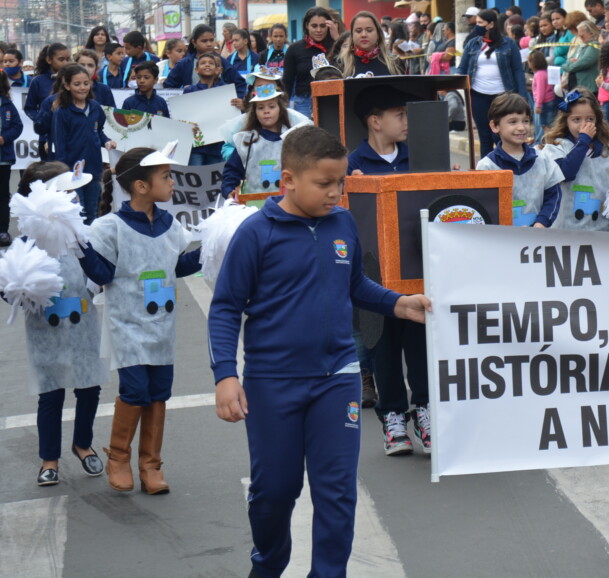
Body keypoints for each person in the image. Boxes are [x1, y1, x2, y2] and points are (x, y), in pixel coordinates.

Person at [208, 126, 429, 577]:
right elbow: (226, 307)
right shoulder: (256, 234)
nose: (335, 192)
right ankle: (268, 564)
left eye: (340, 182)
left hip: (338, 378)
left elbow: (354, 284)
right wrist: (226, 375)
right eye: (324, 183)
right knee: (275, 491)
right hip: (273, 382)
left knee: (337, 492)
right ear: (288, 180)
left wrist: (398, 303)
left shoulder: (342, 223)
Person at [82, 144, 201, 494]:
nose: (172, 182)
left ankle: (151, 464)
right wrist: (80, 249)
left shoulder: (169, 224)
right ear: (140, 186)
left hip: (162, 327)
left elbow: (178, 265)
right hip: (127, 326)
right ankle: (118, 458)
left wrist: (214, 246)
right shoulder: (110, 227)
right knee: (135, 390)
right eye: (166, 176)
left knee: (159, 392)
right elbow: (102, 274)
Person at [343, 87, 431, 456]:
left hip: (417, 270)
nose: (407, 121)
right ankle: (393, 417)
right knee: (382, 347)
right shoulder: (352, 164)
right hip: (374, 275)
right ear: (375, 122)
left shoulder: (421, 157)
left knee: (421, 344)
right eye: (400, 114)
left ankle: (425, 411)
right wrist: (354, 187)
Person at [9, 162, 106, 486]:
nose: (74, 198)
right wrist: (18, 288)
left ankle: (83, 444)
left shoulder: (84, 234)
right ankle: (49, 459)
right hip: (45, 331)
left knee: (89, 388)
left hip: (84, 324)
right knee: (50, 395)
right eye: (67, 192)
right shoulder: (28, 241)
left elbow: (101, 273)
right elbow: (9, 289)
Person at [476, 92, 563, 227]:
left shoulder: (542, 159)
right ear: (495, 126)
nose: (521, 127)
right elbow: (484, 207)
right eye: (513, 122)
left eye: (525, 121)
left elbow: (553, 196)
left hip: (537, 235)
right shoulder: (486, 167)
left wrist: (541, 223)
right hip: (502, 237)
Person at [541, 90, 609, 231]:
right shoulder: (556, 147)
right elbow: (566, 173)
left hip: (600, 229)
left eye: (589, 119)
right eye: (576, 120)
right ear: (566, 121)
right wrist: (583, 141)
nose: (583, 126)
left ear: (597, 120)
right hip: (565, 230)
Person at [456, 9, 527, 157]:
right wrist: (457, 77)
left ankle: (505, 164)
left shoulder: (509, 44)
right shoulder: (473, 43)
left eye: (480, 23)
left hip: (503, 96)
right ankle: (486, 168)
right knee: (485, 135)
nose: (477, 26)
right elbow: (462, 67)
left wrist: (522, 95)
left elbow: (517, 70)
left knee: (500, 135)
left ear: (491, 24)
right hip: (478, 95)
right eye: (476, 22)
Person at [50, 64, 115, 222]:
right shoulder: (62, 112)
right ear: (67, 86)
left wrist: (106, 141)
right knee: (78, 212)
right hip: (72, 172)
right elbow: (60, 144)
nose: (82, 88)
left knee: (92, 212)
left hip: (93, 169)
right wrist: (63, 174)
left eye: (86, 83)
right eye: (77, 84)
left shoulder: (95, 107)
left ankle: (90, 238)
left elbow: (98, 131)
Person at [221, 84, 294, 198]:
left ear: (280, 109)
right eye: (260, 108)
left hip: (287, 202)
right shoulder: (245, 141)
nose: (266, 111)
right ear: (254, 112)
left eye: (271, 106)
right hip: (253, 203)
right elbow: (232, 170)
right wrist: (229, 189)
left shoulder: (292, 139)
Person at [183, 51, 238, 166]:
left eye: (211, 63)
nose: (207, 65)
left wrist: (240, 105)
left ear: (217, 70)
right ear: (196, 70)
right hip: (196, 146)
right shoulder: (189, 91)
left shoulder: (226, 91)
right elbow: (183, 117)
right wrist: (187, 125)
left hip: (218, 145)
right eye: (203, 63)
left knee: (216, 176)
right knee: (196, 175)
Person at [282, 8, 337, 118]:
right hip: (304, 103)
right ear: (307, 25)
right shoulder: (294, 49)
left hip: (332, 99)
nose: (319, 30)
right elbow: (287, 82)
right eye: (314, 26)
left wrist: (337, 38)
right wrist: (283, 106)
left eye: (322, 26)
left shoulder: (336, 47)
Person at [0, 70, 24, 245]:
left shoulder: (7, 104)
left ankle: (2, 230)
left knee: (2, 195)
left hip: (3, 158)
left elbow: (17, 126)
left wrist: (4, 138)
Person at [339, 12, 398, 78]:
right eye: (358, 31)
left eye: (369, 30)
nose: (364, 35)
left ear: (378, 34)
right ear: (352, 35)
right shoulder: (340, 63)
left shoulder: (394, 63)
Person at [562, 19, 600, 93]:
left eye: (582, 36)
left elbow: (583, 63)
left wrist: (568, 66)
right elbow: (568, 60)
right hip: (575, 85)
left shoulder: (594, 46)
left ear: (591, 33)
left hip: (587, 87)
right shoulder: (580, 46)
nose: (580, 37)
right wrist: (570, 63)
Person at [528, 49, 555, 144]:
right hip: (550, 100)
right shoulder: (545, 72)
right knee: (548, 124)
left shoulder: (539, 75)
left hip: (543, 103)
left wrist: (538, 105)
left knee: (543, 125)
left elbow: (540, 91)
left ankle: (541, 142)